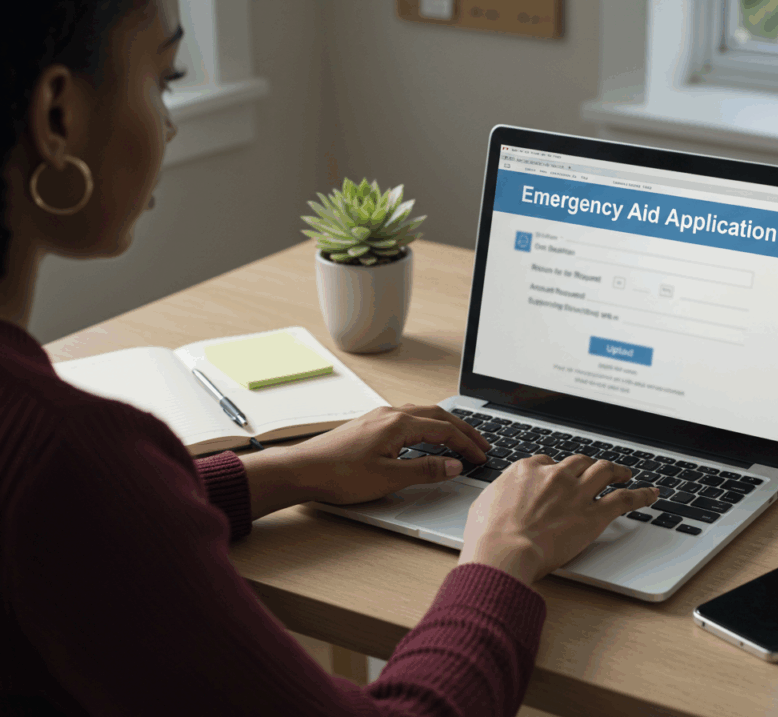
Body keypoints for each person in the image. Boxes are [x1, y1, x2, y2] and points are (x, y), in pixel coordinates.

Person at [0, 2, 661, 714]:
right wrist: (508, 549)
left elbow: (85, 531)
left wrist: (297, 467)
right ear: (57, 117)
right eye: (166, 77)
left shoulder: (54, 457)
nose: (170, 121)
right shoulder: (74, 452)